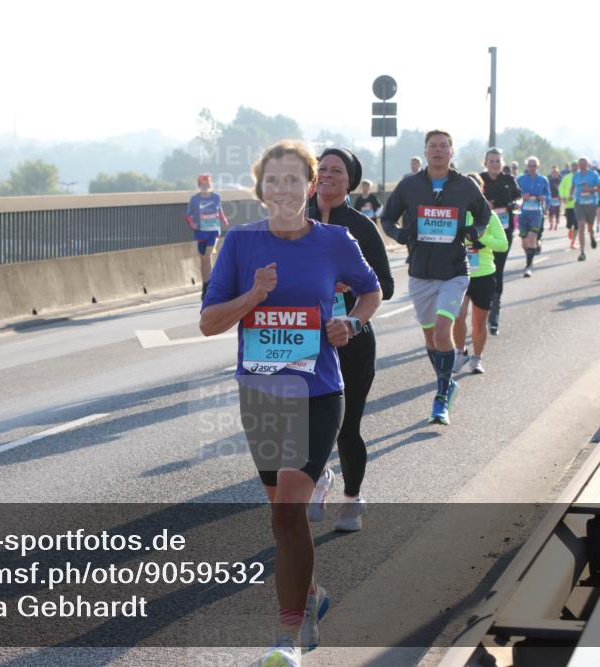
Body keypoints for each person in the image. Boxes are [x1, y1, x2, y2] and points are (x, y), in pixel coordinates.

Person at [200, 140, 381, 665]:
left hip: (319, 392)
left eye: (292, 179)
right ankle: (311, 596)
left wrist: (351, 321)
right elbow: (209, 322)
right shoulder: (239, 244)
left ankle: (287, 639)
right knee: (282, 515)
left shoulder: (335, 241)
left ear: (310, 185)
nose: (282, 189)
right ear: (260, 189)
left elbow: (371, 291)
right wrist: (253, 296)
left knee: (287, 511)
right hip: (260, 394)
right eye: (272, 180)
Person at [307, 149, 394, 533]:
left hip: (351, 339)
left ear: (350, 181)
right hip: (303, 337)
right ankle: (319, 475)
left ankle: (352, 498)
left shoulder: (360, 225)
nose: (326, 175)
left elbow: (385, 287)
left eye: (335, 170)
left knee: (347, 425)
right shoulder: (296, 217)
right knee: (304, 420)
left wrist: (347, 286)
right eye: (321, 168)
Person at [381, 129, 491, 425]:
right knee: (431, 337)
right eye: (433, 146)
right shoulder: (409, 186)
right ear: (426, 151)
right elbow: (387, 218)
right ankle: (447, 381)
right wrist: (400, 235)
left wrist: (474, 232)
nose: (438, 150)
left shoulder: (465, 186)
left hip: (454, 270)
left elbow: (484, 215)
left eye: (444, 146)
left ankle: (441, 394)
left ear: (452, 152)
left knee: (444, 331)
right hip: (420, 272)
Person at [453, 174, 508, 374]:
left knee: (479, 322)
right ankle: (460, 353)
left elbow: (503, 245)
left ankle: (477, 358)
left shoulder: (489, 216)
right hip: (459, 273)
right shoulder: (456, 214)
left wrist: (483, 238)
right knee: (457, 317)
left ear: (480, 191)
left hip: (484, 274)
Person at [479, 148, 521, 335]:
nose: (494, 164)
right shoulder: (480, 180)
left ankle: (494, 311)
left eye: (497, 161)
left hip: (503, 231)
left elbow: (518, 197)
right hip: (481, 232)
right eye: (491, 161)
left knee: (499, 268)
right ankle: (481, 308)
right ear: (485, 162)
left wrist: (515, 204)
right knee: (481, 270)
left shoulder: (508, 180)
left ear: (502, 163)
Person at [185, 173, 229, 300]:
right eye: (202, 185)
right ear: (199, 186)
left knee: (208, 255)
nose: (205, 187)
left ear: (210, 185)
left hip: (213, 231)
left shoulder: (216, 197)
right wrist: (192, 223)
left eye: (207, 184)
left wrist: (223, 218)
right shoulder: (194, 199)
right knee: (203, 260)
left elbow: (219, 210)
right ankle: (205, 286)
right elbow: (188, 215)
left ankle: (210, 286)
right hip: (200, 232)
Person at [516, 156, 551, 277]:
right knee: (525, 243)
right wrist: (521, 197)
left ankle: (528, 267)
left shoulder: (543, 179)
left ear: (538, 167)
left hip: (536, 212)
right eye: (530, 166)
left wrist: (545, 201)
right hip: (523, 213)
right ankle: (530, 255)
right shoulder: (520, 179)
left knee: (532, 236)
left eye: (534, 166)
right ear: (527, 167)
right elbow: (514, 195)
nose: (532, 168)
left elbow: (548, 195)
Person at [572, 158, 600, 261]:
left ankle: (592, 237)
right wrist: (570, 195)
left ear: (587, 165)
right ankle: (582, 252)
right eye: (580, 164)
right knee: (581, 226)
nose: (581, 166)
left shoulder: (593, 175)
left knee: (590, 228)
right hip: (579, 204)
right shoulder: (576, 175)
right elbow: (573, 187)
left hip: (591, 204)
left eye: (583, 164)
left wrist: (590, 189)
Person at [558, 160, 580, 249]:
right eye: (573, 165)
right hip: (568, 205)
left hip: (579, 205)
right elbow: (561, 188)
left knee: (577, 224)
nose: (574, 167)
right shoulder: (566, 177)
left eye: (576, 165)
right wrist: (563, 197)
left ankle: (573, 242)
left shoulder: (581, 177)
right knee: (569, 224)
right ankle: (570, 230)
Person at [547, 166, 562, 231]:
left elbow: (561, 189)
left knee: (557, 212)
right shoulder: (549, 180)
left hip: (557, 198)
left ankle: (556, 225)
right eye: (553, 172)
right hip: (551, 197)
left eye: (555, 172)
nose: (554, 174)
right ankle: (551, 224)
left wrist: (561, 197)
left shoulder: (560, 180)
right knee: (550, 212)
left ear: (557, 173)